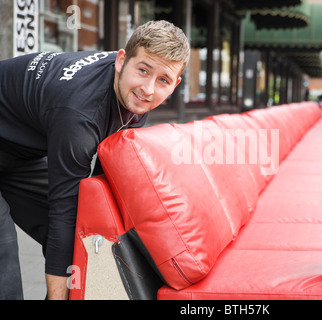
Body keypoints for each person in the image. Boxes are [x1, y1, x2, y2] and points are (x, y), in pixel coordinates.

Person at [0, 20, 190, 300]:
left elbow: (100, 190)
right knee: (4, 245)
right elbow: (63, 208)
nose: (148, 89)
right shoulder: (79, 113)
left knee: (82, 237)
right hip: (20, 140)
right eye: (143, 71)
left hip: (18, 153)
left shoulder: (133, 93)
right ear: (121, 60)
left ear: (174, 84)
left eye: (162, 80)